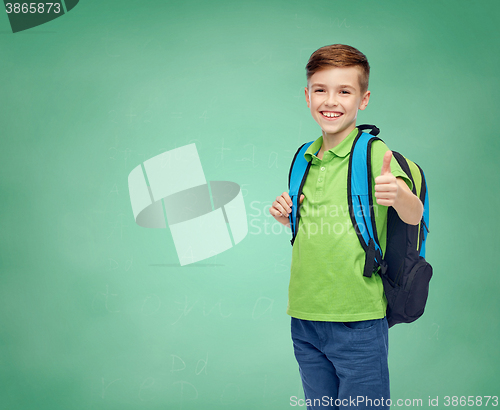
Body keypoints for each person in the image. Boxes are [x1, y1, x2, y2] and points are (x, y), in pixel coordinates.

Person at [269, 44, 424, 409]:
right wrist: (284, 216)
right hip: (304, 316)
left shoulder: (373, 153)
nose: (330, 100)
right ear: (307, 96)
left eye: (344, 91)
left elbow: (414, 213)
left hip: (357, 320)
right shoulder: (304, 156)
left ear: (363, 99)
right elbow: (315, 225)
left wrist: (397, 195)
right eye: (320, 89)